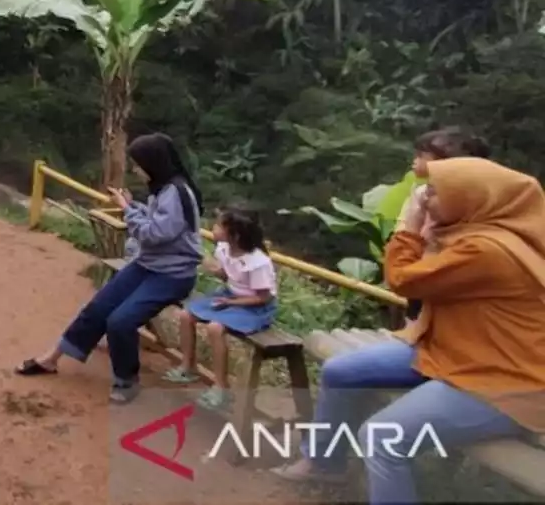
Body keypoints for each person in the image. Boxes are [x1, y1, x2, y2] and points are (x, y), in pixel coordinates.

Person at [273, 157, 545, 505]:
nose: (423, 197)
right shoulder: (476, 233)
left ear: (469, 197)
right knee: (339, 371)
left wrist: (410, 224)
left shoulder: (488, 249)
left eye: (434, 191)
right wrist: (429, 233)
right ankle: (325, 463)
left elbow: (403, 280)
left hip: (498, 382)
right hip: (451, 354)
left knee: (381, 438)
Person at [14, 132, 203, 404]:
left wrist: (126, 209)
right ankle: (51, 359)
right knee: (99, 307)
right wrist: (131, 206)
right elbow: (154, 222)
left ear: (154, 162)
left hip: (173, 275)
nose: (135, 170)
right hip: (148, 264)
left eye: (138, 164)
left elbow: (152, 234)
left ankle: (127, 381)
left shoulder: (176, 192)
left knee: (120, 321)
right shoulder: (163, 188)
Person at [162, 205, 277, 411]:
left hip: (255, 307)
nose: (213, 228)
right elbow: (229, 275)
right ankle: (188, 366)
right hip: (230, 296)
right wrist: (215, 270)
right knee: (186, 314)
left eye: (219, 225)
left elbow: (264, 297)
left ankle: (221, 387)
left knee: (215, 328)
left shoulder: (258, 262)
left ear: (235, 234)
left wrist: (231, 303)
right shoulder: (223, 249)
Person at [398, 128, 491, 322]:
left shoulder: (478, 200)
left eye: (423, 155)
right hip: (420, 272)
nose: (415, 160)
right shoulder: (421, 193)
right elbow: (406, 232)